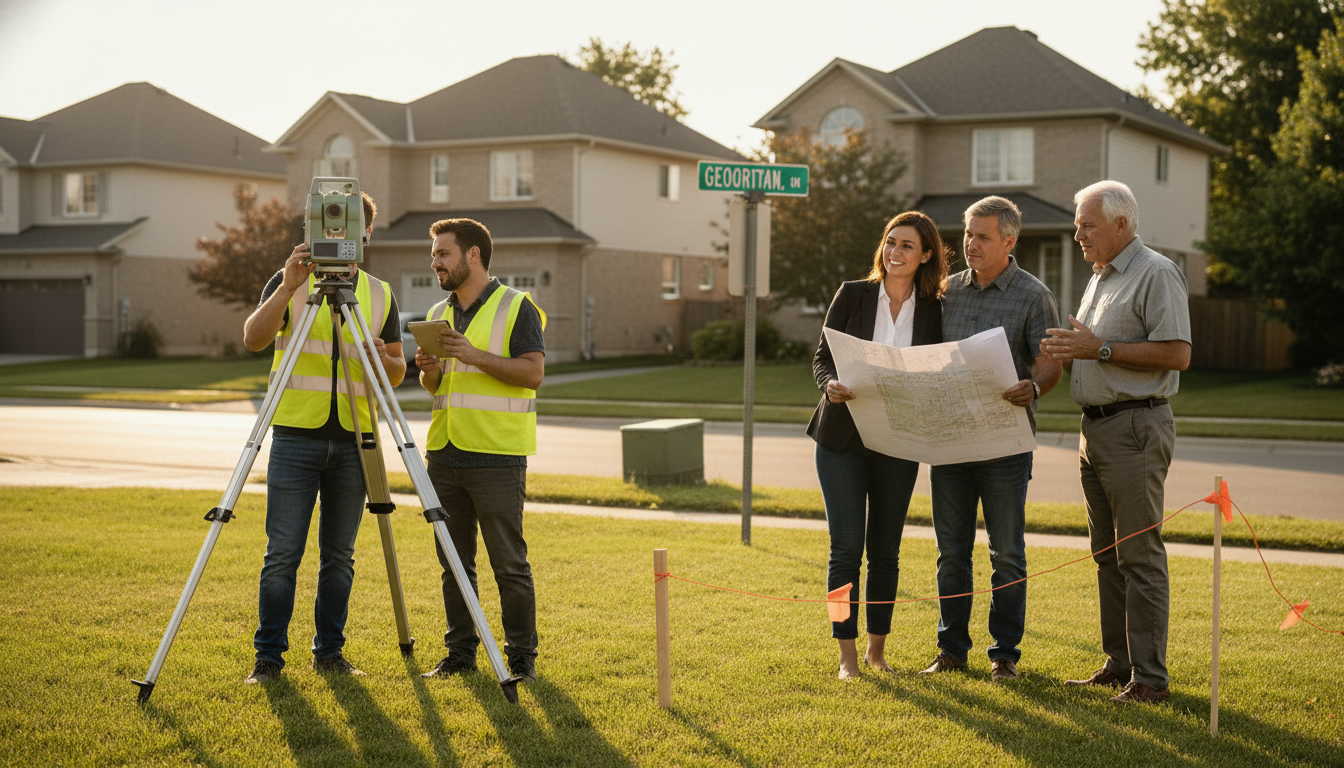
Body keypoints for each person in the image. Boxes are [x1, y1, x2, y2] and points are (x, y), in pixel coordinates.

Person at [240, 191, 405, 684]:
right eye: (328, 228)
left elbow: (396, 372)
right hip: (296, 435)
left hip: (356, 442)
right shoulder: (290, 280)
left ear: (365, 235)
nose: (337, 237)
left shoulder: (379, 294)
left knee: (340, 556)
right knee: (282, 553)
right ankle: (268, 659)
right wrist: (289, 287)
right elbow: (253, 339)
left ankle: (329, 652)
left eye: (348, 229)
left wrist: (383, 356)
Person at [1042, 180, 1191, 705]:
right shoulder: (1100, 277)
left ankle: (1150, 679)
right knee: (1106, 553)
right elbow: (1097, 349)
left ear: (1121, 224)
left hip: (1134, 427)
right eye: (1078, 224)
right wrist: (1075, 351)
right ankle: (1120, 663)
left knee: (1138, 554)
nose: (1078, 234)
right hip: (1095, 429)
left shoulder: (1157, 272)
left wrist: (1098, 347)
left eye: (1087, 225)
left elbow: (1176, 354)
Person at [919, 196, 1062, 681]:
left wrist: (1035, 386)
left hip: (1005, 444)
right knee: (951, 551)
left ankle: (1004, 655)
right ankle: (951, 650)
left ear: (1009, 240)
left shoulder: (1032, 294)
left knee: (1006, 552)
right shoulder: (946, 291)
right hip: (951, 441)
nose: (971, 244)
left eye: (982, 236)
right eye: (967, 234)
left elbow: (1049, 364)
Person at [808, 211, 949, 679]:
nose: (895, 252)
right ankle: (846, 657)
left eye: (907, 245)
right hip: (841, 436)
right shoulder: (854, 293)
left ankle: (876, 652)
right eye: (890, 242)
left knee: (885, 551)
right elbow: (822, 357)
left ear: (926, 255)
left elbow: (938, 370)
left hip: (897, 439)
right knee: (845, 549)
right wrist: (830, 385)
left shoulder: (934, 309)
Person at [413, 218, 547, 684]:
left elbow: (532, 374)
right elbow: (437, 386)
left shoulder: (518, 307)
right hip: (445, 455)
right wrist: (429, 369)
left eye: (443, 254)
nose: (435, 263)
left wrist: (472, 355)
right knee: (453, 562)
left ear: (473, 255)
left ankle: (521, 660)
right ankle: (460, 654)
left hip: (497, 456)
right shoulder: (437, 311)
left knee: (508, 563)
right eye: (434, 256)